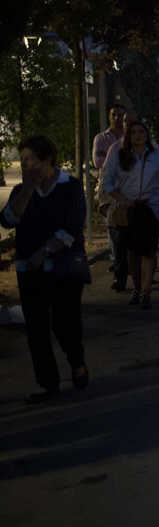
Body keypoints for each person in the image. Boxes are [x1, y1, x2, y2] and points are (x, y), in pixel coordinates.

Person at [2, 135, 90, 403]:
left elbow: (73, 225)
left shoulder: (69, 187)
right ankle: (47, 382)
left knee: (65, 323)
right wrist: (28, 190)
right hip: (29, 268)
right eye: (24, 160)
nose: (27, 165)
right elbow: (7, 220)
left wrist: (46, 250)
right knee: (36, 328)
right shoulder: (22, 191)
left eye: (32, 159)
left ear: (47, 159)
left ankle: (77, 363)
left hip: (62, 267)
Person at [101, 119, 159, 309]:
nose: (138, 136)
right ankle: (137, 288)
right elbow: (107, 183)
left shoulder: (158, 156)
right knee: (132, 252)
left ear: (147, 135)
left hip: (153, 208)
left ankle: (146, 291)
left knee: (148, 250)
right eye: (134, 133)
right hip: (129, 210)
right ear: (128, 136)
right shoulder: (119, 156)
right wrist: (123, 199)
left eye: (141, 132)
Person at [93, 103, 127, 283]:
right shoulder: (101, 138)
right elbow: (98, 162)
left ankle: (126, 261)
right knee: (112, 225)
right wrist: (115, 157)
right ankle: (116, 260)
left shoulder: (131, 137)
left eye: (121, 115)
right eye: (114, 115)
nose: (117, 118)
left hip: (127, 187)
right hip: (109, 188)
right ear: (109, 117)